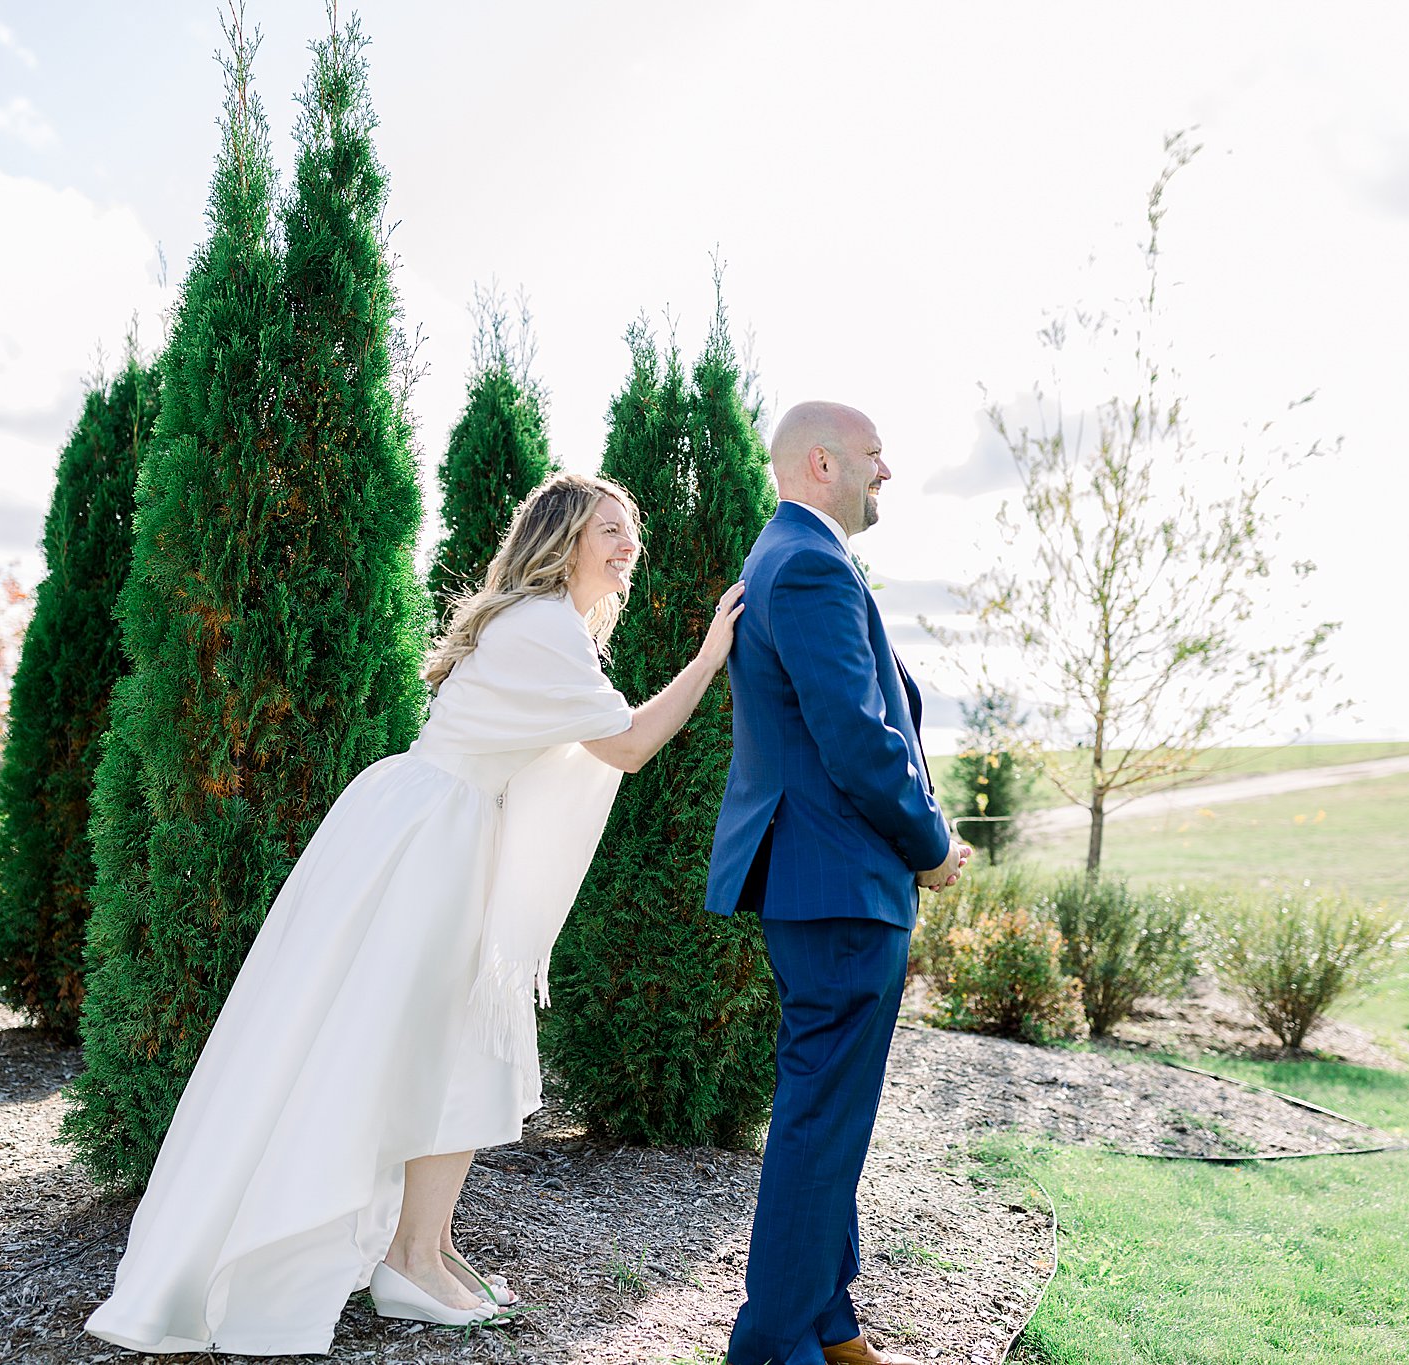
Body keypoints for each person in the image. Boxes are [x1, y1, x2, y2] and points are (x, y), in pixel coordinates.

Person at [85, 472, 745, 1354]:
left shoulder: (552, 630)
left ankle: (421, 1251)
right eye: (610, 531)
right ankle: (408, 1259)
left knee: (453, 1045)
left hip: (439, 827)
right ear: (562, 540)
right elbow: (625, 746)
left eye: (633, 533)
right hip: (435, 839)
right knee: (441, 1044)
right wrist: (708, 657)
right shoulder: (544, 627)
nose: (629, 547)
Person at [705, 401, 970, 1365]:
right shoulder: (811, 563)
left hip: (825, 885)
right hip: (840, 886)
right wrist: (932, 844)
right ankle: (775, 1345)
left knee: (830, 1116)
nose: (886, 471)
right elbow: (859, 740)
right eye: (873, 454)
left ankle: (829, 1321)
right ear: (822, 462)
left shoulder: (785, 557)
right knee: (821, 1123)